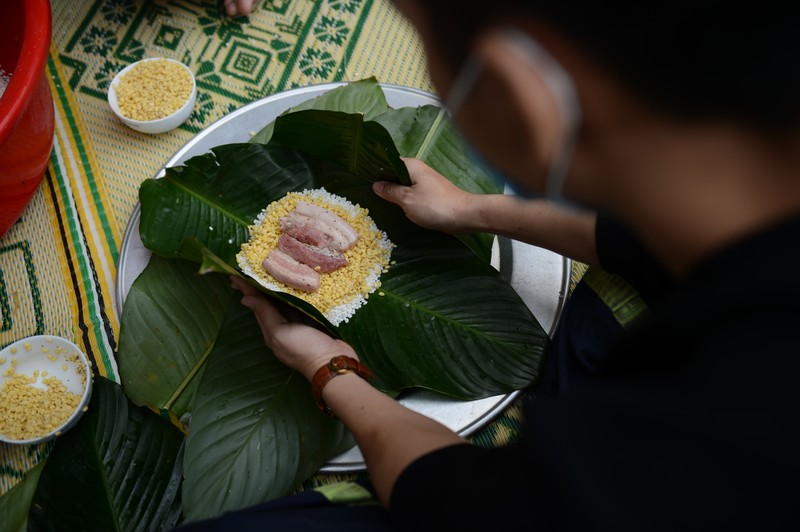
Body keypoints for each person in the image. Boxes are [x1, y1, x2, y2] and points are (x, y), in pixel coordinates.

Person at [186, 0, 800, 529]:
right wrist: (470, 210)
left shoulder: (682, 454)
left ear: (518, 92)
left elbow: (450, 497)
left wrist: (330, 368)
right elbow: (636, 239)